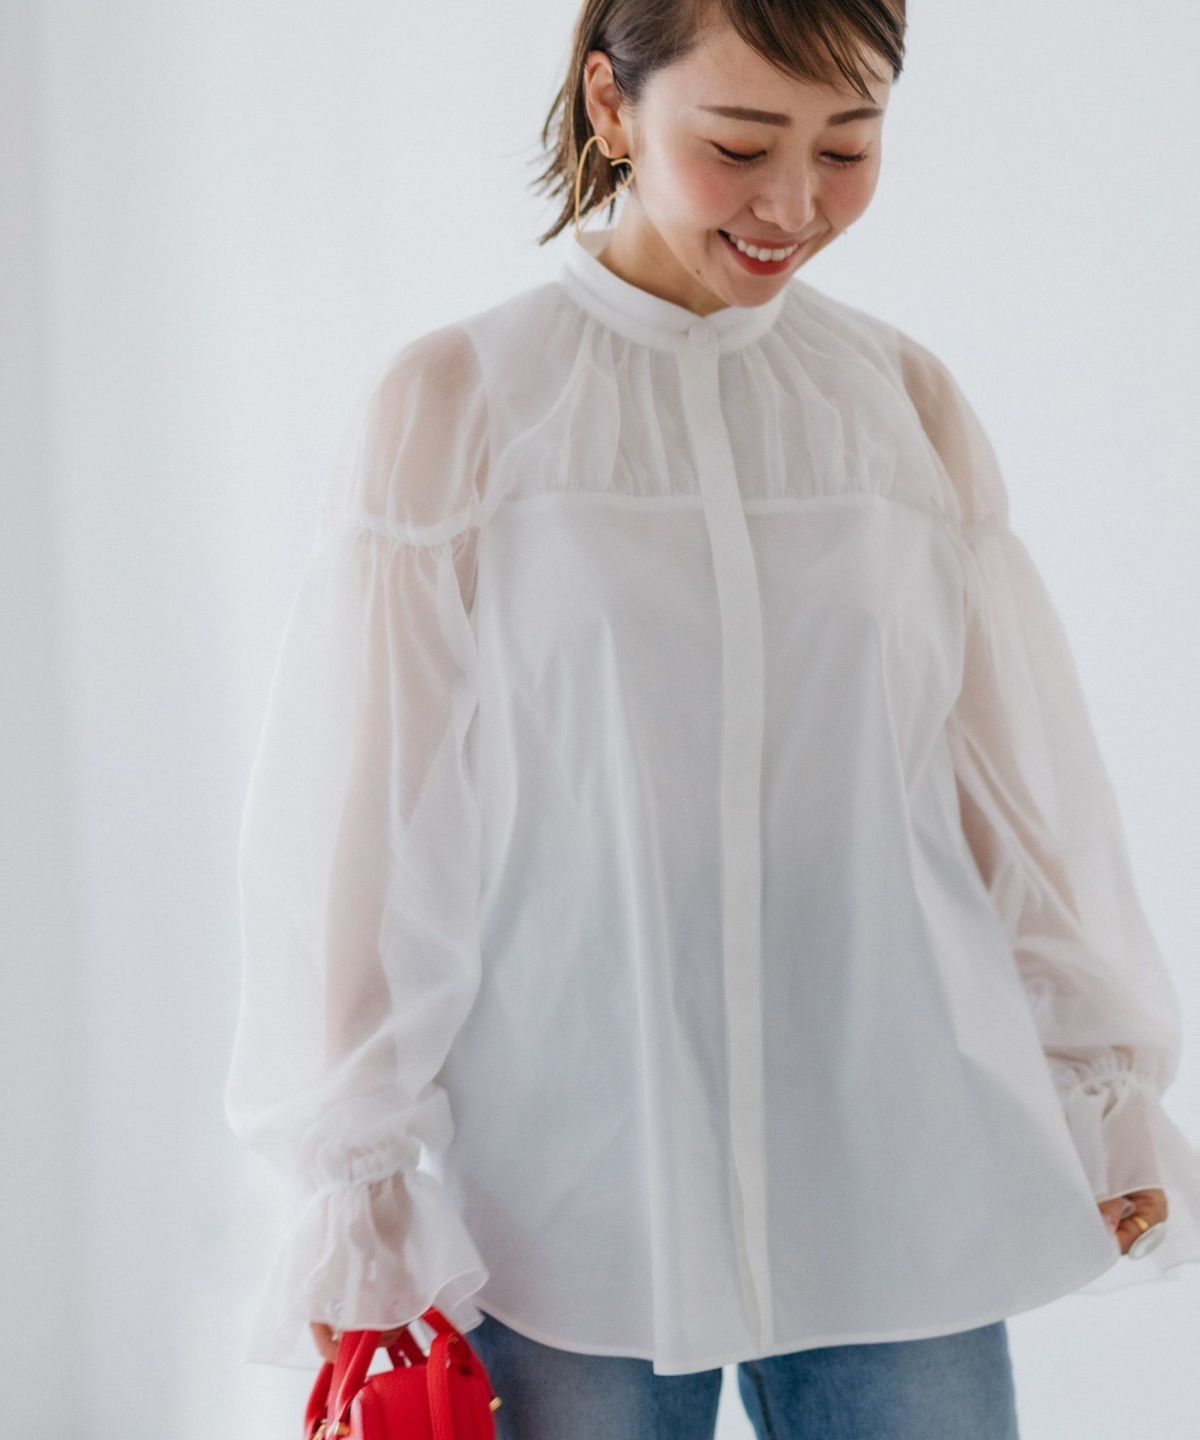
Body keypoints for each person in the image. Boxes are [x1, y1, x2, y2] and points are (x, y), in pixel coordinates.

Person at [224, 1, 1200, 1435]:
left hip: (894, 1169)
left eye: (847, 148)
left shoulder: (901, 402)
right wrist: (355, 1179)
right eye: (741, 145)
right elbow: (367, 831)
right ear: (612, 106)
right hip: (570, 1199)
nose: (794, 205)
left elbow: (1009, 786)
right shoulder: (461, 405)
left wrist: (1099, 1084)